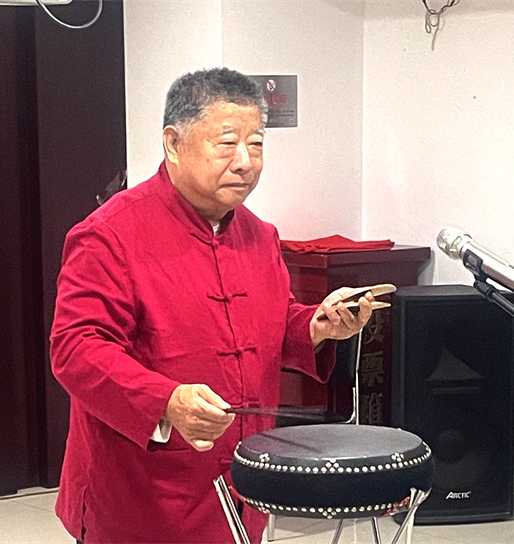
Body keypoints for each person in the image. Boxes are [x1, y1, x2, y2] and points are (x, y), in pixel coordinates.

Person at [50, 67, 375, 544]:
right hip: (141, 493)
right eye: (227, 144)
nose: (245, 162)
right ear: (173, 143)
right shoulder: (109, 234)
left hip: (242, 485)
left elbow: (270, 321)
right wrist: (165, 401)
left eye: (256, 144)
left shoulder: (259, 235)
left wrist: (318, 325)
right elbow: (76, 350)